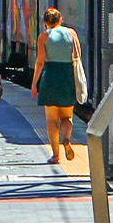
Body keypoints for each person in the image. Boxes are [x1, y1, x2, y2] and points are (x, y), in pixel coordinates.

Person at [31, 8, 82, 164]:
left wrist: (34, 83)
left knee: (51, 120)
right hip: (67, 77)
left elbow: (40, 62)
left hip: (51, 77)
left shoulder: (43, 37)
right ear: (60, 19)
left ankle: (56, 155)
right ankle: (66, 139)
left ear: (46, 23)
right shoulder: (71, 33)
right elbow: (77, 55)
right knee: (67, 117)